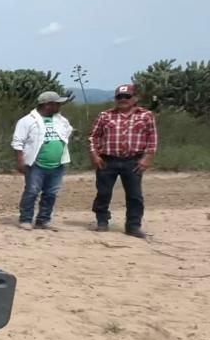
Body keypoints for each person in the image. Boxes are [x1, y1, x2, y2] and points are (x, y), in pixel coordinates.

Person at [88, 83, 158, 238]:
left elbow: (152, 138)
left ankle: (133, 226)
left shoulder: (146, 115)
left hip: (133, 161)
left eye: (127, 96)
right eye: (119, 97)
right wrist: (94, 155)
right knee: (103, 193)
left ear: (135, 98)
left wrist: (147, 158)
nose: (123, 99)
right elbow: (93, 136)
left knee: (135, 195)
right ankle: (102, 221)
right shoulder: (105, 115)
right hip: (107, 160)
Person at [11, 90, 74, 230]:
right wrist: (20, 160)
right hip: (36, 164)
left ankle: (43, 220)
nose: (59, 106)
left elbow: (68, 132)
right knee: (32, 191)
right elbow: (18, 142)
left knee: (51, 193)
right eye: (57, 104)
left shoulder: (61, 120)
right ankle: (26, 219)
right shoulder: (27, 121)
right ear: (47, 105)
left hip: (58, 164)